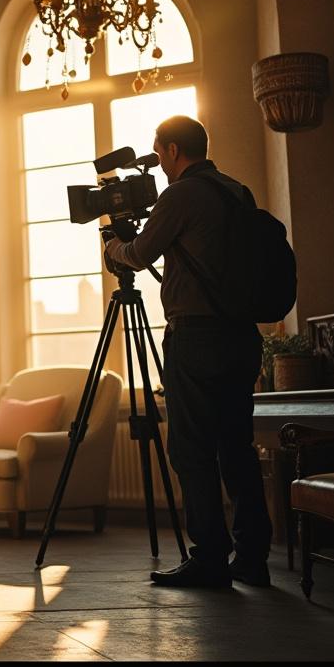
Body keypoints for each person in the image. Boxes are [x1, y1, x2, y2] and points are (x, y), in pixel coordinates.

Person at [104, 115, 272, 588]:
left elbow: (139, 254)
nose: (157, 162)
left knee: (193, 449)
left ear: (174, 150)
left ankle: (210, 559)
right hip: (241, 336)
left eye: (158, 152)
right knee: (236, 447)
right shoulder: (237, 191)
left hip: (197, 337)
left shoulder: (180, 195)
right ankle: (253, 557)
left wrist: (113, 246)